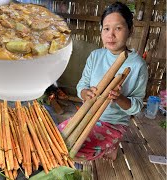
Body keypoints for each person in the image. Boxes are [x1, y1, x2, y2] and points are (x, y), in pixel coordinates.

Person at [58, 2, 148, 161]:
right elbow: (82, 86)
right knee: (56, 140)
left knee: (75, 153)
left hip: (112, 124)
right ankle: (106, 148)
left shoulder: (137, 65)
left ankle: (111, 147)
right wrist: (86, 93)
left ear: (130, 30)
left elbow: (137, 107)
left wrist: (119, 98)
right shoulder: (95, 56)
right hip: (85, 115)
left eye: (118, 28)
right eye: (106, 28)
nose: (111, 35)